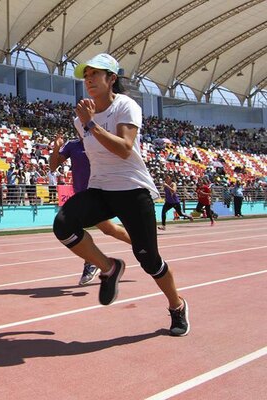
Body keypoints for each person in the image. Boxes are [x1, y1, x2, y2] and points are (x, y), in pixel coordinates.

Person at [52, 53, 189, 336]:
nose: (88, 80)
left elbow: (125, 148)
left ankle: (177, 306)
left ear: (111, 78)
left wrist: (91, 123)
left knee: (149, 260)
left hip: (132, 189)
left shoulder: (125, 106)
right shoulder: (80, 118)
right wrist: (85, 124)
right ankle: (109, 268)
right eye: (86, 76)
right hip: (101, 188)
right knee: (63, 224)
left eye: (95, 75)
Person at [50, 131, 132, 286]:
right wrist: (56, 149)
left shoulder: (99, 142)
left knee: (74, 226)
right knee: (109, 229)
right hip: (81, 196)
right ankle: (142, 246)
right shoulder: (72, 146)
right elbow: (53, 167)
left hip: (97, 194)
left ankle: (92, 262)